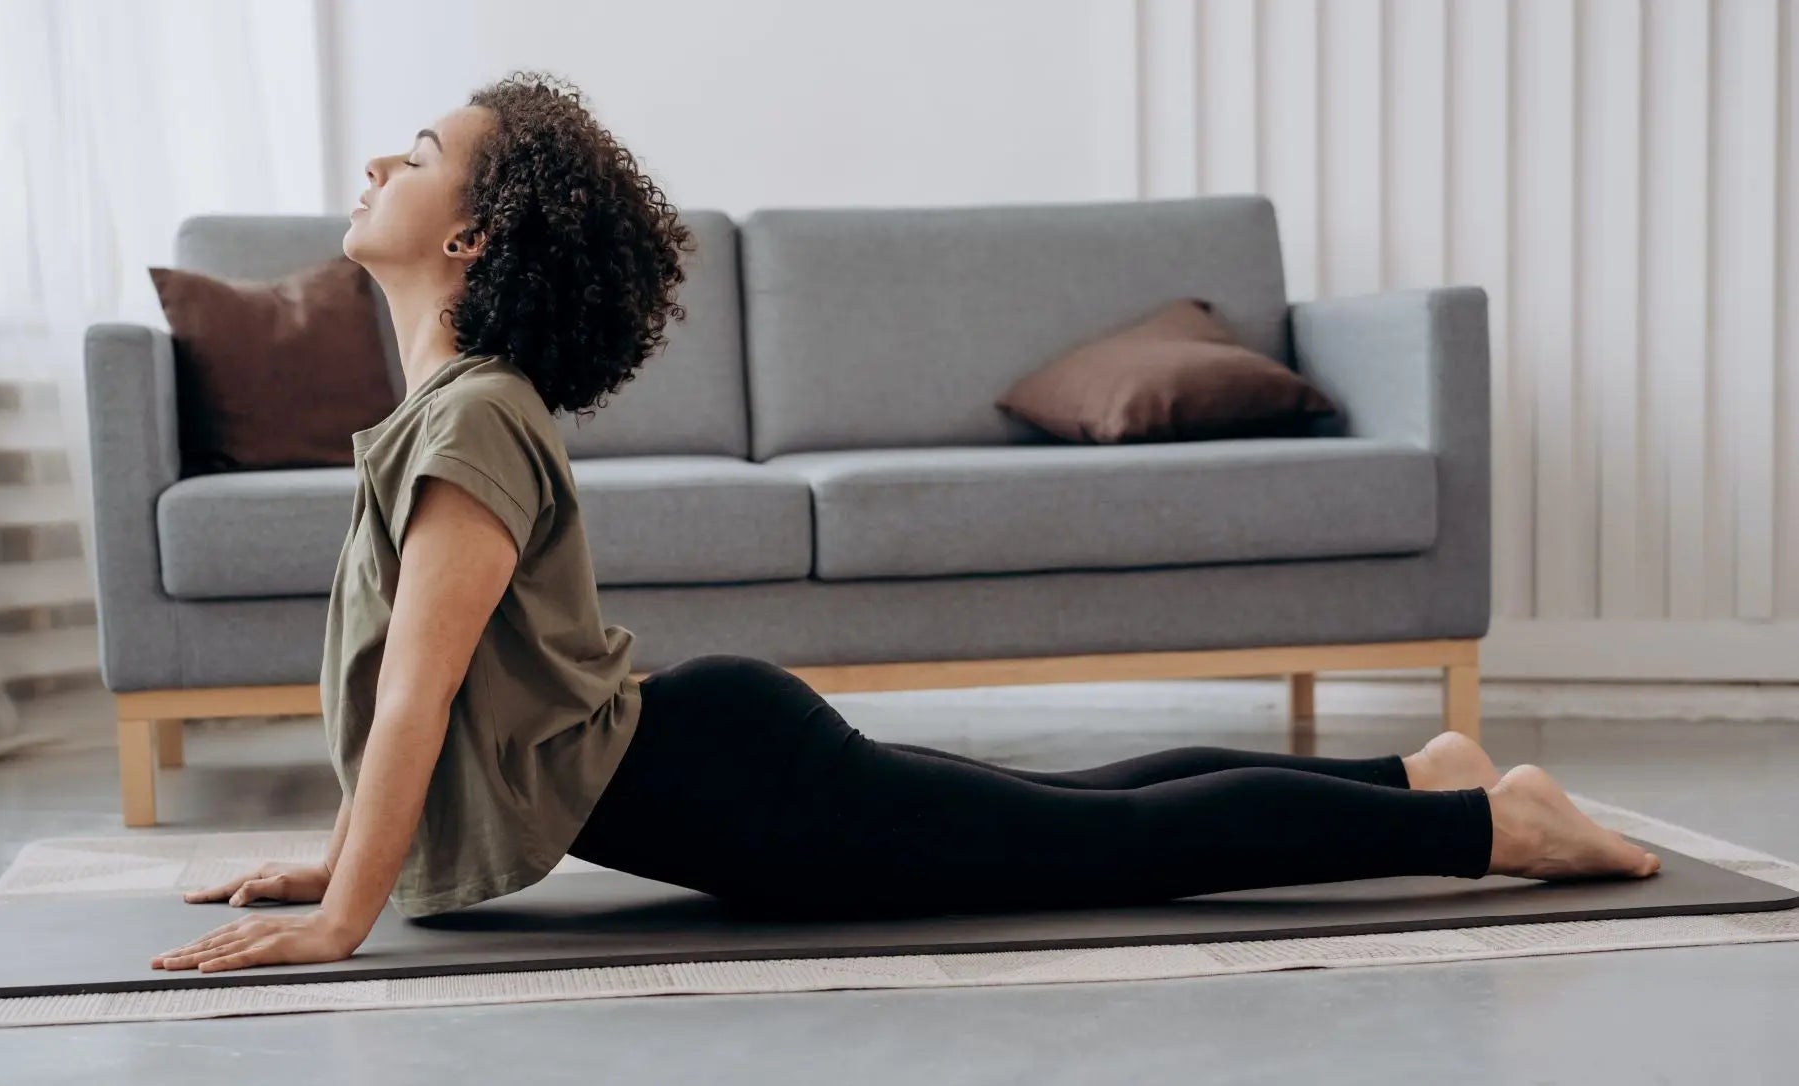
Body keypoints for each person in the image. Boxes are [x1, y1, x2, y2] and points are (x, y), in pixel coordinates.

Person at [151, 72, 1660, 976]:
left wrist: (346, 912)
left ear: (474, 235)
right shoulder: (452, 411)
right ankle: (1421, 772)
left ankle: (1482, 825)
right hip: (721, 760)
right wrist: (344, 857)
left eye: (415, 155)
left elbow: (418, 695)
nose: (379, 164)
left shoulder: (474, 416)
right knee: (1081, 808)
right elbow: (424, 698)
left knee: (1110, 844)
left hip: (748, 789)